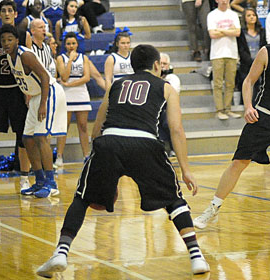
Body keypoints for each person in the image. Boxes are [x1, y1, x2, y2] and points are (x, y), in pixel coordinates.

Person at [36, 44, 210, 278]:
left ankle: (61, 252)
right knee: (174, 199)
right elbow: (177, 130)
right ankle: (196, 256)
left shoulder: (116, 85)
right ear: (157, 65)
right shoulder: (167, 88)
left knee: (82, 197)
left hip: (109, 142)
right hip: (145, 143)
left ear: (132, 65)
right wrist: (186, 169)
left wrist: (102, 166)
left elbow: (98, 124)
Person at [193, 13, 270, 230]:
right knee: (239, 162)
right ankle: (212, 209)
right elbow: (248, 81)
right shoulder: (267, 51)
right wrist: (248, 106)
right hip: (265, 115)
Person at [0, 24, 67, 198]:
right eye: (3, 40)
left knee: (40, 136)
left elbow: (44, 77)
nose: (6, 43)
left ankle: (51, 184)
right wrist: (28, 96)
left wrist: (43, 103)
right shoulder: (9, 56)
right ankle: (38, 181)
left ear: (17, 40)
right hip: (35, 95)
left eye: (10, 39)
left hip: (49, 92)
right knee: (27, 138)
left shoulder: (26, 55)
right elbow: (26, 81)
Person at [0, 0, 32, 191]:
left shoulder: (24, 36)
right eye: (3, 10)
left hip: (18, 91)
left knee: (23, 135)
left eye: (10, 10)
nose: (7, 13)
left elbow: (31, 65)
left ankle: (24, 177)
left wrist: (29, 91)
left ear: (16, 14)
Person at [55, 32, 91, 166]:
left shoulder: (84, 58)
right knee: (64, 126)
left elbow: (86, 77)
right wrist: (70, 60)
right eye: (69, 44)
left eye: (73, 43)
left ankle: (86, 155)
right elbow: (63, 76)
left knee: (83, 126)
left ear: (77, 44)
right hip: (66, 95)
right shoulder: (60, 58)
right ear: (65, 45)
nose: (71, 46)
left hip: (81, 93)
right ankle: (59, 156)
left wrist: (70, 84)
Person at [207, 0, 242, 120]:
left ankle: (228, 109)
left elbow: (237, 32)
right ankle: (219, 110)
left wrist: (220, 30)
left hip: (232, 53)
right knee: (217, 83)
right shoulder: (212, 15)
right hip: (217, 54)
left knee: (230, 83)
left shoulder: (233, 14)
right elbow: (212, 34)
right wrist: (229, 31)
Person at [236, 7, 266, 94]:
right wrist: (251, 62)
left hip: (261, 63)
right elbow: (241, 49)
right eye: (249, 15)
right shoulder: (241, 33)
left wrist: (260, 61)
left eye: (253, 15)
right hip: (246, 64)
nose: (252, 17)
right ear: (244, 18)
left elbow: (264, 46)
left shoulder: (262, 31)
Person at [159, 52, 181, 156]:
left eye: (164, 63)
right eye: (160, 63)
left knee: (167, 121)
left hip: (169, 108)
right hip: (155, 107)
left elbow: (170, 96)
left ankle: (174, 148)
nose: (162, 66)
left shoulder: (173, 78)